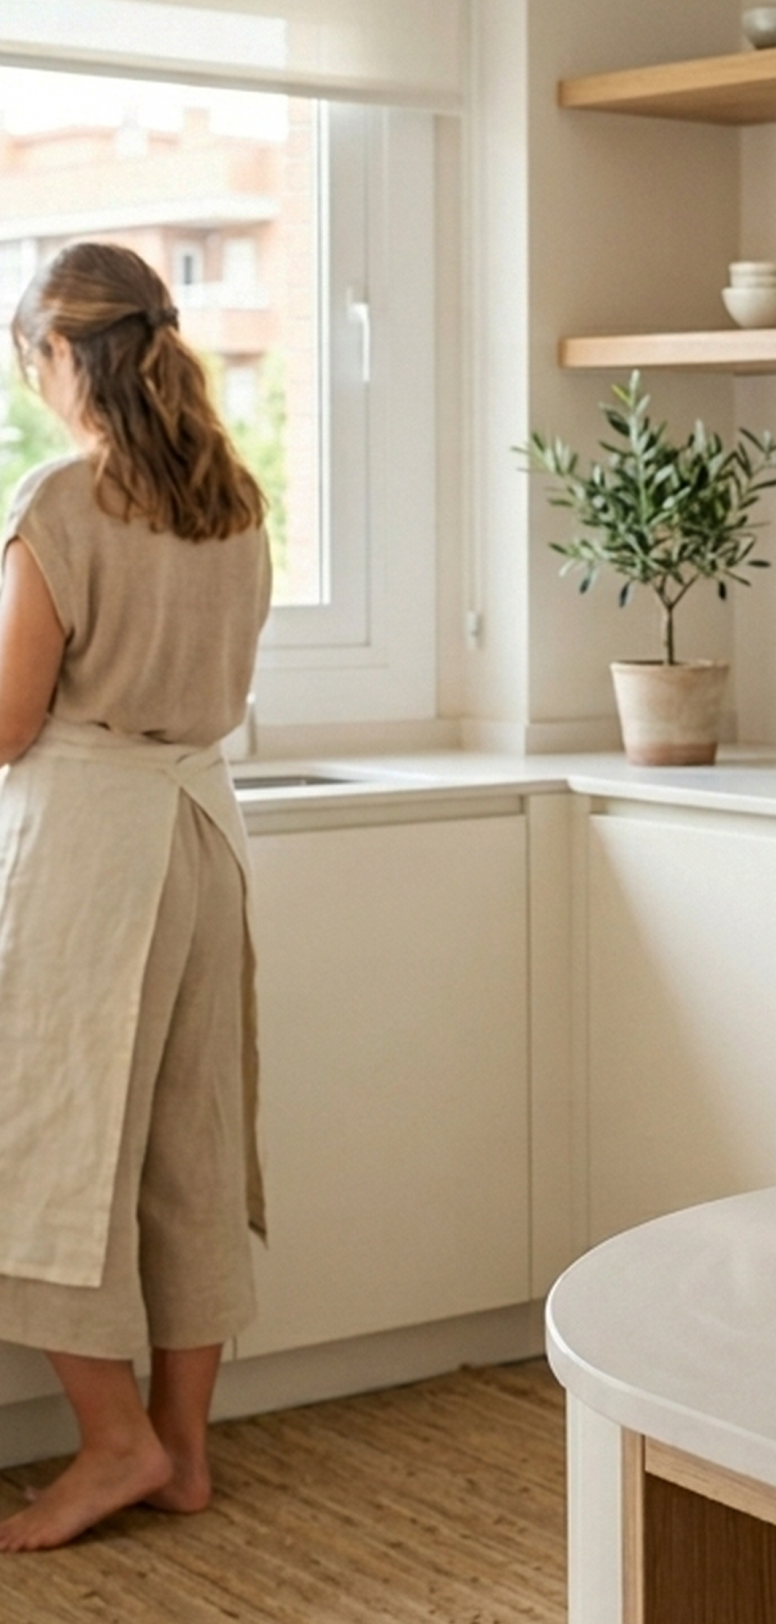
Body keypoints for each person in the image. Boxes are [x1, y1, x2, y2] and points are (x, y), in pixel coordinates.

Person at [0, 242, 271, 1550]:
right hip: (204, 836)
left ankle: (112, 1443)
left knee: (48, 1143)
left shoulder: (59, 501)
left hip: (98, 847)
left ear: (65, 355)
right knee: (191, 1142)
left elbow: (8, 721)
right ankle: (185, 1454)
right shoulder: (231, 495)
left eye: (30, 358)